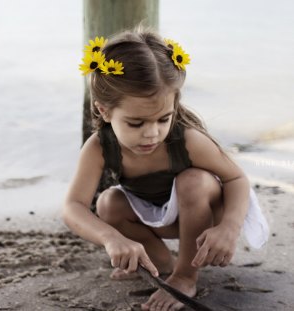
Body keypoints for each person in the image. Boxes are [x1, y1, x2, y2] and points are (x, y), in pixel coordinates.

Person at [63, 28, 269, 311]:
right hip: (157, 214)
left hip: (207, 209)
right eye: (136, 123)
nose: (152, 133)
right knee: (108, 203)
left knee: (192, 181)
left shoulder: (187, 140)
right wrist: (113, 239)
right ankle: (161, 263)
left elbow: (236, 178)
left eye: (164, 119)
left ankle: (186, 275)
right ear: (104, 110)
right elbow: (73, 206)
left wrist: (229, 227)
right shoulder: (99, 147)